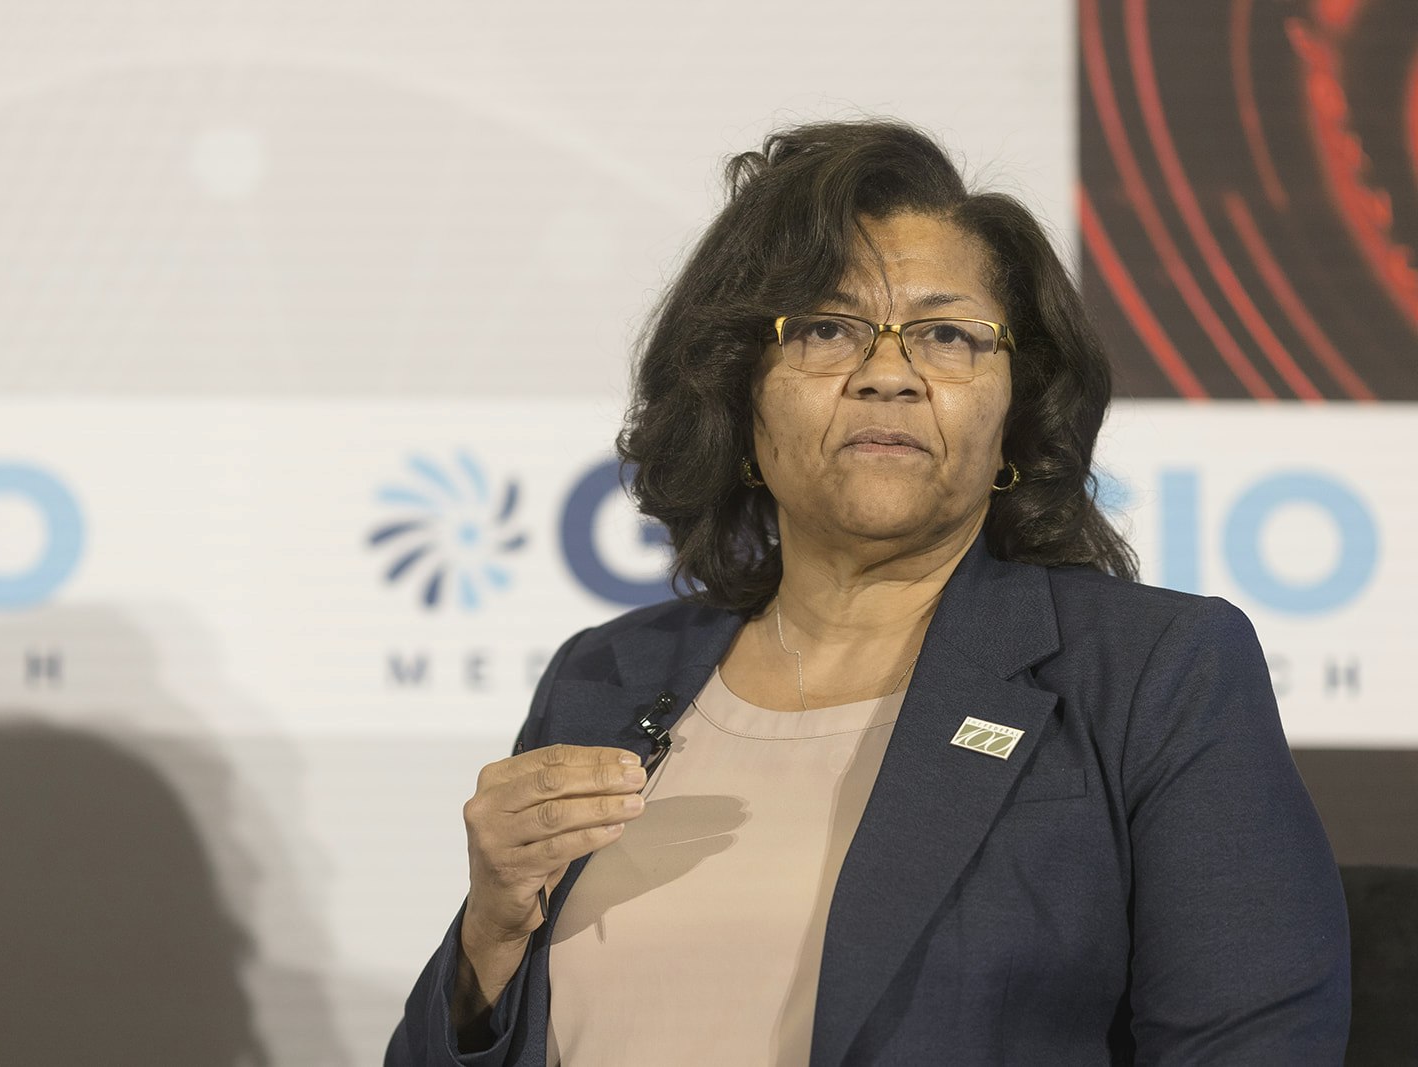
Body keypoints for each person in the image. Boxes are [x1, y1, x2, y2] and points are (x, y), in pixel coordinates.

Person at [385, 120, 1350, 1066]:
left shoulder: (1153, 673)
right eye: (826, 329)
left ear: (1016, 408)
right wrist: (490, 933)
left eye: (947, 334)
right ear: (738, 390)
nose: (888, 373)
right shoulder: (604, 674)